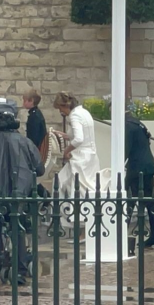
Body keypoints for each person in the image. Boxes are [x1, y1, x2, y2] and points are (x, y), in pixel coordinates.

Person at [0, 97, 44, 285]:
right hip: (18, 195)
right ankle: (20, 271)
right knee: (18, 231)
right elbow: (40, 168)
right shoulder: (25, 142)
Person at [53, 91, 101, 243]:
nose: (61, 113)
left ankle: (81, 229)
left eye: (60, 109)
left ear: (64, 106)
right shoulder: (84, 112)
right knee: (86, 190)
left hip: (80, 158)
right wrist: (64, 135)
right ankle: (85, 228)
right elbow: (81, 136)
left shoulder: (74, 115)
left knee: (76, 191)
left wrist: (66, 152)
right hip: (91, 156)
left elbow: (79, 139)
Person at [125, 111, 154, 248]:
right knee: (151, 202)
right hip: (146, 167)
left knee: (129, 202)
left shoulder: (128, 125)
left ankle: (121, 235)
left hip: (138, 169)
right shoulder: (137, 123)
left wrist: (116, 165)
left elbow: (125, 149)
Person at [23, 89, 50, 199]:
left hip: (35, 150)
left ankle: (45, 196)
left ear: (31, 101)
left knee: (29, 175)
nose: (23, 103)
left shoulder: (34, 117)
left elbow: (33, 137)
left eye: (25, 100)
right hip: (36, 149)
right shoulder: (36, 114)